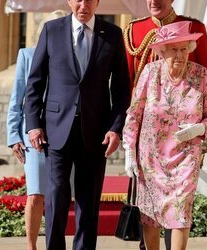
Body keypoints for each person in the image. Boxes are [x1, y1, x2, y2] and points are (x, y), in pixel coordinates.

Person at [24, 0, 131, 249]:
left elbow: (122, 90)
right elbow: (35, 84)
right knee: (56, 197)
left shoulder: (113, 35)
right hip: (55, 131)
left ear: (97, 2)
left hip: (96, 132)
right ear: (70, 1)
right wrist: (33, 125)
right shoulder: (52, 30)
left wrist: (116, 128)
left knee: (88, 201)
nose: (83, 5)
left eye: (89, 0)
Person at [123, 1, 207, 248]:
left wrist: (201, 130)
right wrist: (129, 153)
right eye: (172, 49)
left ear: (190, 48)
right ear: (162, 51)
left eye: (183, 49)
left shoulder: (199, 75)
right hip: (151, 157)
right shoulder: (150, 74)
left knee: (180, 215)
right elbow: (134, 114)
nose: (178, 55)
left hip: (187, 157)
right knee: (151, 216)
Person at [6, 10, 67, 250]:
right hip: (32, 135)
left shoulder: (71, 59)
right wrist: (13, 137)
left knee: (57, 196)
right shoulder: (27, 55)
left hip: (63, 132)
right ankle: (31, 246)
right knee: (35, 194)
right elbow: (17, 99)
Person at [124, 0, 207, 106]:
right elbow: (127, 79)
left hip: (184, 110)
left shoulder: (194, 28)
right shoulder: (134, 29)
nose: (154, 1)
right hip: (145, 110)